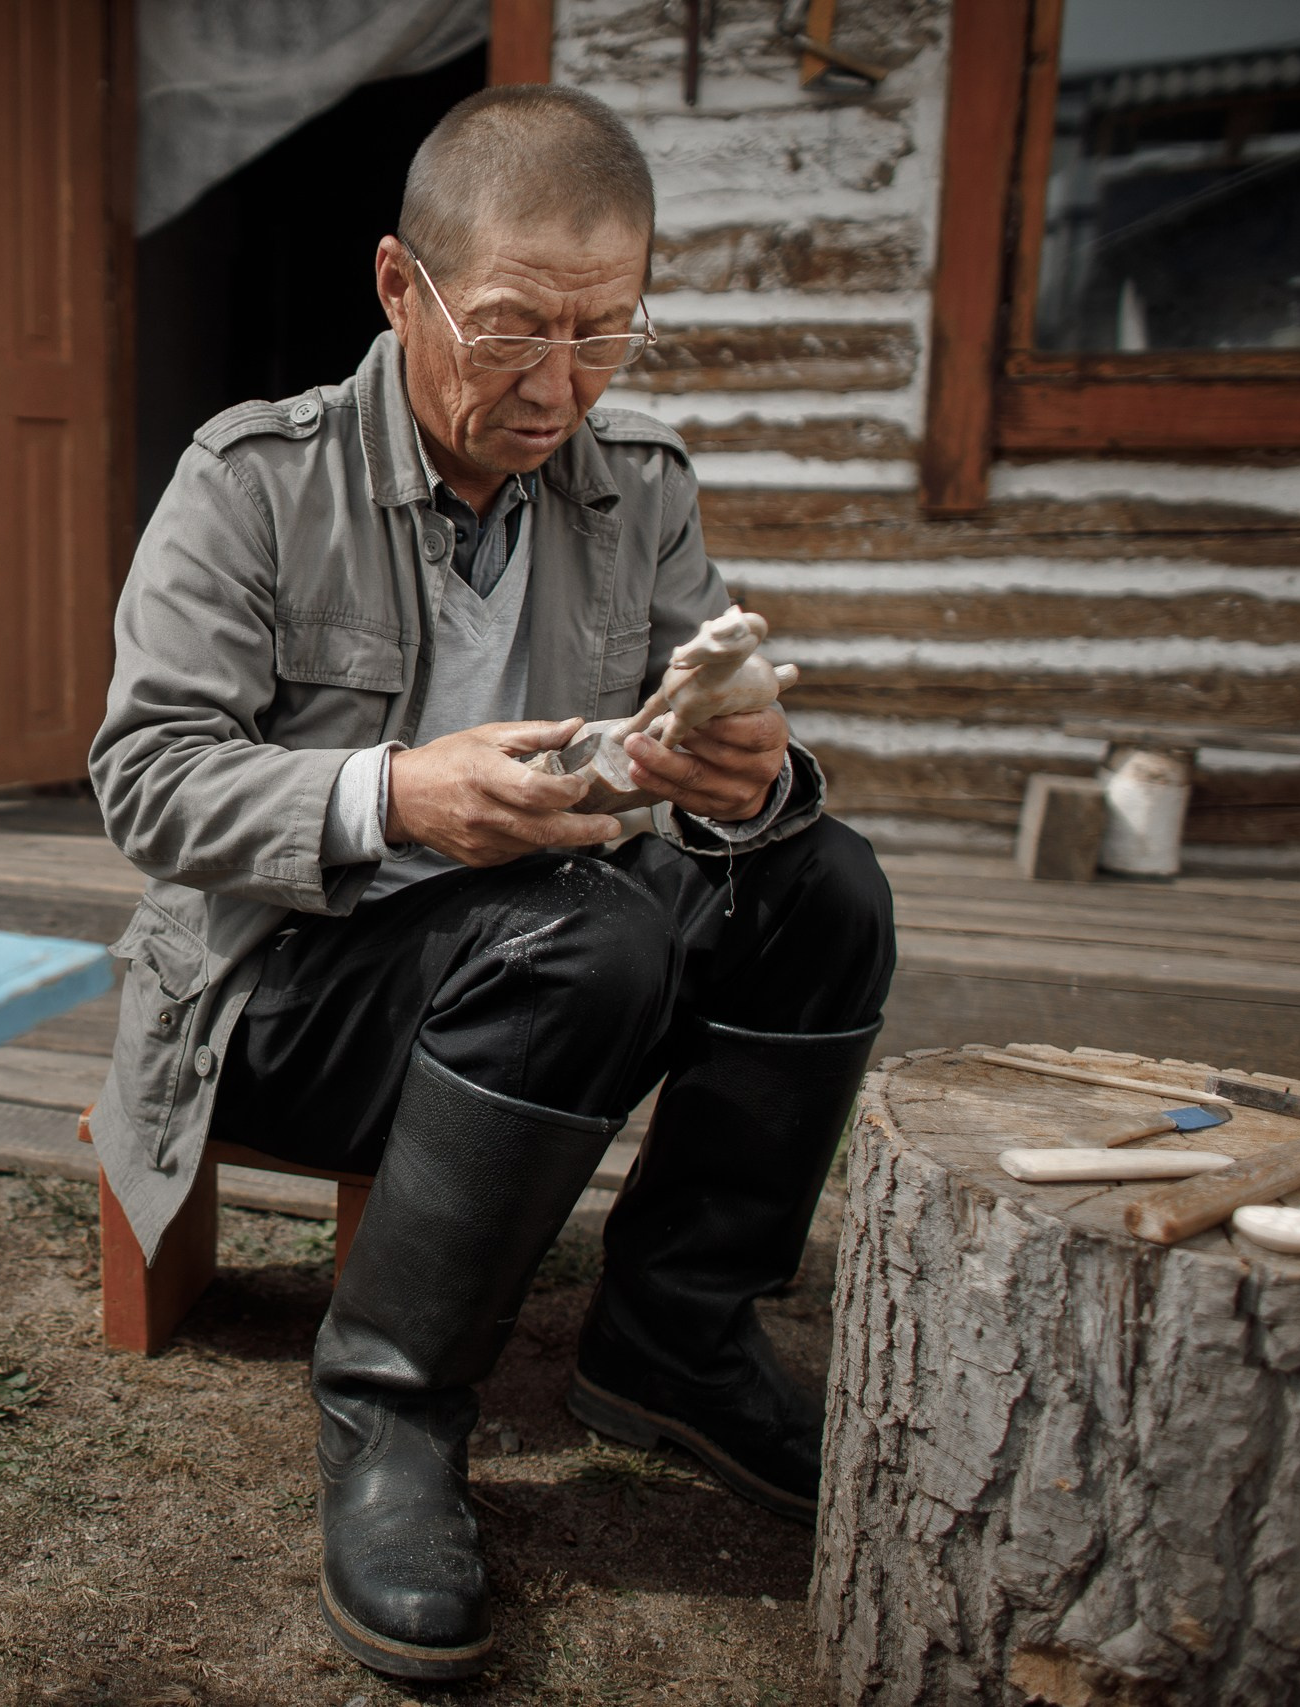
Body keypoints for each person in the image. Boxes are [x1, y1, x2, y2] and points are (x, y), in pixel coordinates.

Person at [87, 84, 897, 1681]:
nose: (560, 386)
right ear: (403, 287)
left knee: (825, 885)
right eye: (518, 329)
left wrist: (748, 769)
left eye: (608, 335)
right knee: (581, 941)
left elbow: (718, 714)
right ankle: (388, 1407)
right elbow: (147, 781)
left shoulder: (638, 479)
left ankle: (674, 1340)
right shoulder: (253, 481)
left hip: (547, 959)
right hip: (288, 996)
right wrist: (399, 796)